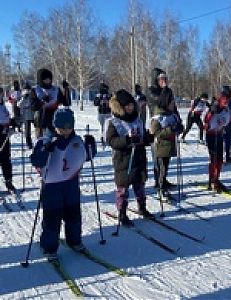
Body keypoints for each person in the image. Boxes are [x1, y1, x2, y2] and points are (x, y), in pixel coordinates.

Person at [30, 108, 94, 261]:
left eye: (69, 128)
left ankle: (74, 240)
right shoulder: (46, 140)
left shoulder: (76, 141)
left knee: (73, 214)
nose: (65, 131)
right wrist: (45, 150)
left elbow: (86, 156)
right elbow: (36, 160)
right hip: (52, 185)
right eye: (61, 128)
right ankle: (49, 246)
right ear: (55, 126)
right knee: (52, 216)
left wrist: (91, 145)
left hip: (70, 183)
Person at [105, 89, 153, 227]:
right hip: (123, 160)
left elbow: (142, 137)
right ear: (120, 107)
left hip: (138, 157)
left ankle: (142, 206)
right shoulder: (114, 122)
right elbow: (111, 141)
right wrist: (126, 140)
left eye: (132, 105)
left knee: (140, 185)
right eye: (127, 106)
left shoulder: (137, 119)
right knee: (123, 188)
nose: (130, 108)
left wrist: (148, 138)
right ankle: (122, 212)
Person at [150, 89, 183, 201]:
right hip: (159, 146)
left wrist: (179, 128)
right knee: (161, 168)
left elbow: (178, 125)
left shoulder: (172, 114)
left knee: (165, 167)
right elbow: (155, 132)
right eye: (171, 103)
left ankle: (164, 182)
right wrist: (170, 129)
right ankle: (160, 188)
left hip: (169, 146)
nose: (174, 105)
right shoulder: (158, 116)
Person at [204, 93, 231, 192]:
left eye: (227, 101)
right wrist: (211, 112)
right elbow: (205, 122)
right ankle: (212, 180)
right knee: (214, 159)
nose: (226, 103)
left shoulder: (226, 110)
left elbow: (229, 121)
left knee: (219, 159)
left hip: (219, 134)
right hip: (211, 135)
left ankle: (216, 179)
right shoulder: (212, 107)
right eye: (224, 101)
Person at [31, 68, 68, 139]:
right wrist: (42, 101)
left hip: (55, 120)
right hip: (41, 121)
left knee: (56, 142)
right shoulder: (35, 90)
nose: (48, 81)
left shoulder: (56, 89)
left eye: (49, 79)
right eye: (45, 79)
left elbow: (66, 102)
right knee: (43, 143)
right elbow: (33, 106)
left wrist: (66, 90)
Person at [0, 87, 17, 193]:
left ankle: (8, 181)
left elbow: (7, 119)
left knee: (6, 160)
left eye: (1, 94)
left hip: (4, 137)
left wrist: (13, 123)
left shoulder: (3, 106)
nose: (0, 96)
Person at [18, 81, 34, 149]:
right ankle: (28, 143)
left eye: (28, 90)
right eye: (26, 90)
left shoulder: (33, 95)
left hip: (33, 115)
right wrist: (24, 98)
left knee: (38, 130)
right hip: (26, 116)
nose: (27, 91)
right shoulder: (23, 97)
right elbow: (19, 105)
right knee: (27, 131)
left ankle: (39, 142)